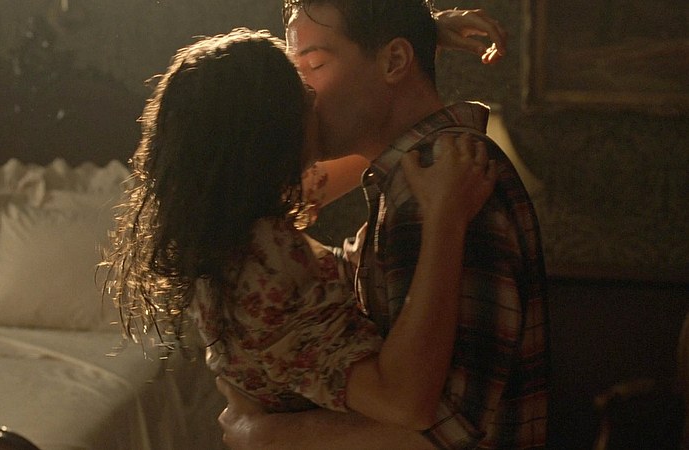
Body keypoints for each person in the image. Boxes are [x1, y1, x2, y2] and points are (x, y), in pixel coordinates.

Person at [102, 26, 498, 441]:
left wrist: (409, 45)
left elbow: (379, 139)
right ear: (271, 133)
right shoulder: (259, 276)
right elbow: (402, 401)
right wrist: (444, 218)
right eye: (303, 96)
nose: (316, 100)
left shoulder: (235, 216)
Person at [215, 1, 550, 449]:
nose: (303, 94)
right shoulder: (411, 177)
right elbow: (257, 193)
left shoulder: (443, 186)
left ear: (394, 61)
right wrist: (417, 34)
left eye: (315, 65)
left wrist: (265, 434)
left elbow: (448, 426)